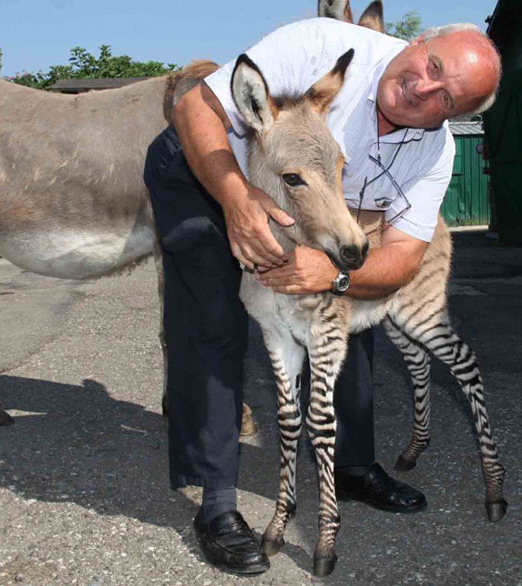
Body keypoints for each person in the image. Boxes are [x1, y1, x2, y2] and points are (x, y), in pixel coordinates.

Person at [143, 16, 501, 576]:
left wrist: (332, 276)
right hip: (209, 163)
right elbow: (193, 108)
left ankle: (353, 467)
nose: (425, 88)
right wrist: (237, 202)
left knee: (345, 305)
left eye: (446, 97)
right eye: (432, 66)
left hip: (310, 195)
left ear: (451, 116)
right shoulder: (322, 46)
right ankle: (216, 502)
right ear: (418, 43)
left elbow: (400, 261)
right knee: (216, 316)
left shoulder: (433, 153)